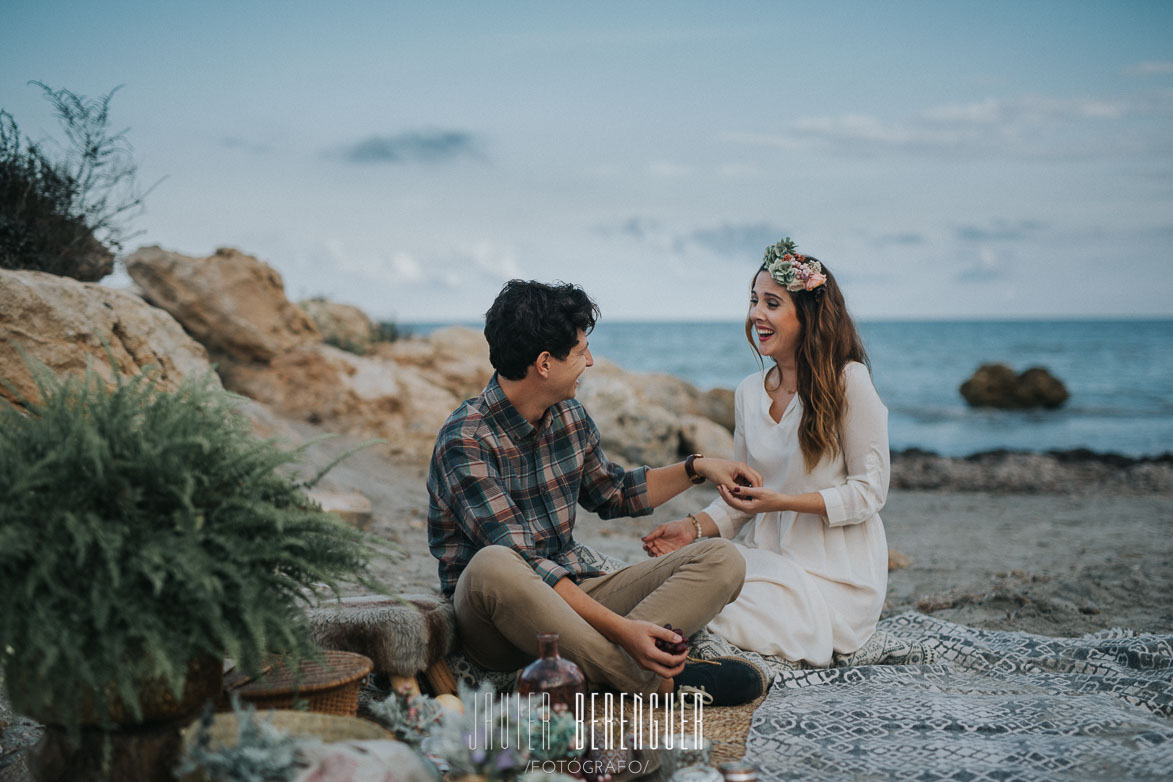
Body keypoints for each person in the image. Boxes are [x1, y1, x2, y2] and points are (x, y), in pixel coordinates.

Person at [427, 279, 767, 705]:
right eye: (581, 350)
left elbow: (616, 492)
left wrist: (697, 467)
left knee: (722, 558)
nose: (590, 361)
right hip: (497, 621)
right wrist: (624, 630)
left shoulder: (569, 415)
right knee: (494, 564)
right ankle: (650, 680)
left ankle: (596, 671)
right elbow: (528, 565)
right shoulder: (465, 439)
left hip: (573, 598)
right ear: (545, 363)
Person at [642, 239, 889, 667]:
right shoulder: (748, 392)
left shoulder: (849, 381)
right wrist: (693, 527)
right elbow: (743, 499)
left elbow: (870, 493)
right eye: (754, 300)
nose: (757, 314)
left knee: (713, 612)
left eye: (772, 303)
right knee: (680, 589)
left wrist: (783, 502)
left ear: (807, 316)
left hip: (833, 578)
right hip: (763, 560)